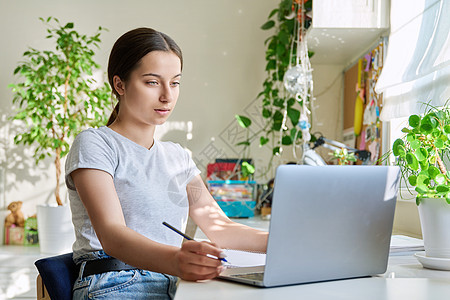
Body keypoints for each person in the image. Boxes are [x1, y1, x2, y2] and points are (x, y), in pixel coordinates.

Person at [65, 27, 268, 299]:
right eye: (152, 82)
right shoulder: (96, 144)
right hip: (115, 282)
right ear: (120, 84)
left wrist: (284, 240)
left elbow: (220, 228)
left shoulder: (178, 158)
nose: (167, 96)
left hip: (175, 283)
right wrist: (176, 260)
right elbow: (112, 235)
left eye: (175, 82)